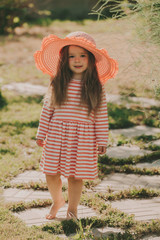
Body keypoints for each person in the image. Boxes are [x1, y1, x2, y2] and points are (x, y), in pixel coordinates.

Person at [34, 31, 118, 220]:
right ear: (65, 59)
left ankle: (73, 208)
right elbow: (48, 109)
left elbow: (101, 114)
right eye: (72, 56)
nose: (77, 60)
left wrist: (101, 139)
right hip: (57, 133)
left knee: (75, 174)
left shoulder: (96, 86)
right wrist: (42, 133)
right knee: (50, 171)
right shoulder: (58, 82)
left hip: (82, 137)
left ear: (91, 60)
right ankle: (57, 200)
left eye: (82, 55)